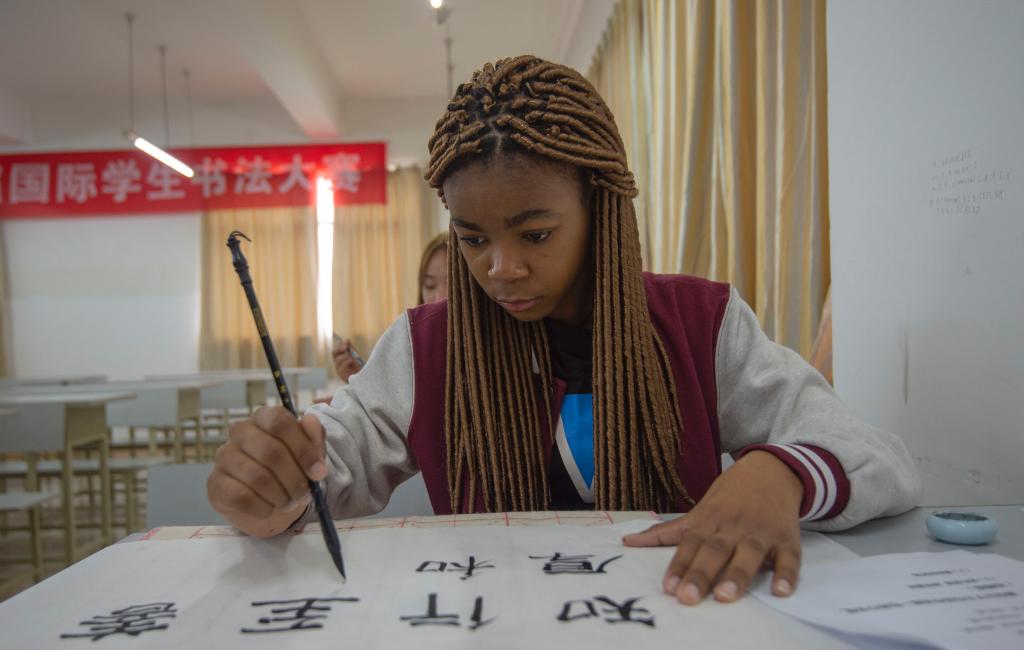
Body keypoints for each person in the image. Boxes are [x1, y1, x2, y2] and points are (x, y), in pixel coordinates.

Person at [208, 55, 920, 607]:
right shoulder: (427, 346)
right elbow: (333, 463)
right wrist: (271, 481)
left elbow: (880, 461)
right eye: (472, 239)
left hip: (678, 632)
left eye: (536, 233)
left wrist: (782, 472)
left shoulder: (701, 324)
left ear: (599, 209)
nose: (501, 268)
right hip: (494, 637)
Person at [330, 232, 449, 383]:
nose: (439, 298)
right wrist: (360, 378)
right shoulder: (410, 346)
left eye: (451, 283)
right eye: (429, 286)